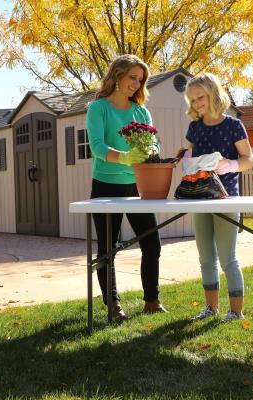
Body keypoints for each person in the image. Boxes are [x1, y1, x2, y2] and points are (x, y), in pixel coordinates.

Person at [86, 54, 167, 322]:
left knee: (152, 244)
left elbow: (155, 144)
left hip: (138, 186)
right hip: (106, 186)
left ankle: (152, 301)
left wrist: (151, 150)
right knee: (107, 249)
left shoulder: (141, 111)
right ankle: (113, 305)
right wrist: (123, 157)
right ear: (117, 75)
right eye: (132, 77)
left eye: (140, 80)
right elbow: (96, 147)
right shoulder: (98, 108)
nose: (136, 84)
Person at [184, 72, 253, 322]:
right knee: (205, 257)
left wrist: (231, 166)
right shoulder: (195, 128)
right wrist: (183, 160)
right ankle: (210, 309)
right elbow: (188, 156)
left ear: (214, 94)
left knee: (227, 258)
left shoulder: (233, 125)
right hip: (199, 197)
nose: (196, 103)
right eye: (192, 100)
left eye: (200, 97)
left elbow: (249, 160)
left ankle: (235, 311)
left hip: (226, 199)